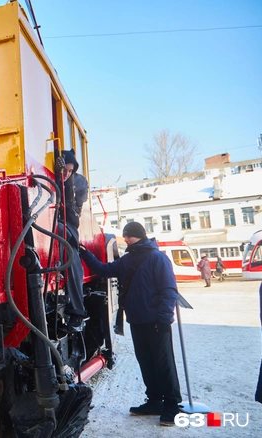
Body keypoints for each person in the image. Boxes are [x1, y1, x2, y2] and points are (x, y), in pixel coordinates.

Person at [79, 221, 182, 426]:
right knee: (146, 362)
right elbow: (104, 269)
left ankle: (171, 405)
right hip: (136, 320)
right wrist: (84, 253)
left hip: (156, 322)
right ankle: (154, 401)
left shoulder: (157, 258)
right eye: (124, 236)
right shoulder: (128, 259)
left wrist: (164, 319)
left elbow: (169, 290)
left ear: (139, 236)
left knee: (164, 364)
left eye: (129, 236)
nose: (125, 239)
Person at [56, 149, 88, 329]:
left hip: (68, 226)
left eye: (70, 171)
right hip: (50, 221)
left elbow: (72, 213)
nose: (67, 174)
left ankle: (77, 310)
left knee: (71, 253)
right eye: (64, 171)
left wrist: (64, 183)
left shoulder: (79, 183)